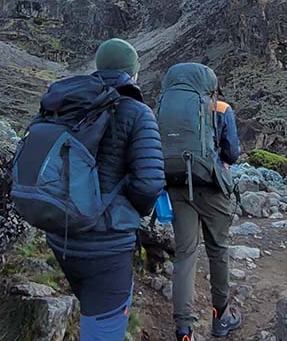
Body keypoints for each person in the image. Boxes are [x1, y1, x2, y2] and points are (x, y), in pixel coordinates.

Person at [46, 38, 165, 340]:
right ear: (132, 73)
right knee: (103, 329)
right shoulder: (138, 112)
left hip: (60, 233)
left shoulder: (68, 105)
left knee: (89, 304)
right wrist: (132, 211)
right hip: (106, 245)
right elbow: (149, 183)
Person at [157, 63, 242, 340]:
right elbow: (232, 154)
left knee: (185, 255)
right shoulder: (220, 108)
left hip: (176, 187)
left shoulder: (164, 107)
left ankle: (184, 329)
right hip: (211, 186)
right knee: (218, 249)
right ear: (210, 84)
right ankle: (221, 317)